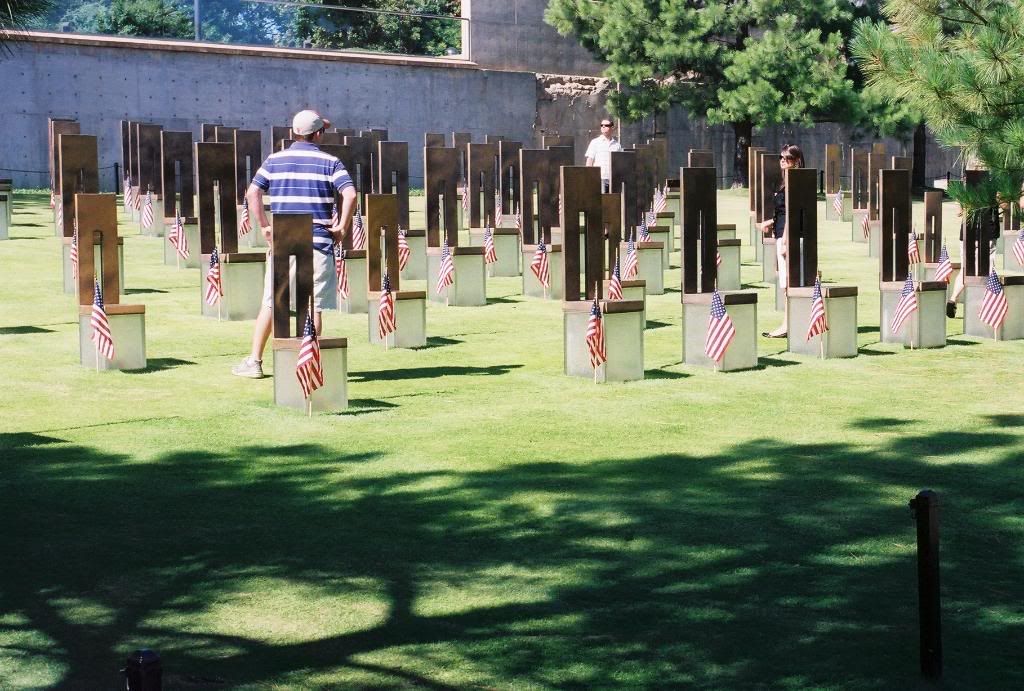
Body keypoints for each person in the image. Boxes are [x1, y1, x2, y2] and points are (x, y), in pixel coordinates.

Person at [232, 109, 357, 378]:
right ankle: (308, 361)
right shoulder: (330, 162)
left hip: (284, 239)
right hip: (318, 239)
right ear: (318, 134)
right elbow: (350, 193)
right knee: (314, 305)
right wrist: (343, 226)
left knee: (272, 300)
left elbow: (253, 191)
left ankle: (254, 361)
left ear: (293, 133)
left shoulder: (274, 160)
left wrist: (265, 226)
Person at [758, 144, 805, 338]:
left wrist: (785, 239)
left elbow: (792, 213)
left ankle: (788, 325)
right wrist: (769, 222)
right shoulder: (786, 183)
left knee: (789, 283)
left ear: (797, 161)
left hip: (788, 238)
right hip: (781, 234)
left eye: (788, 158)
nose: (783, 161)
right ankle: (788, 323)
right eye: (781, 158)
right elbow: (783, 213)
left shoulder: (796, 183)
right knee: (786, 283)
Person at [585, 118, 623, 193]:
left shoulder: (617, 145)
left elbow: (619, 163)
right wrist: (588, 176)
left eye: (606, 125)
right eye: (602, 125)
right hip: (599, 178)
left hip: (613, 179)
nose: (603, 127)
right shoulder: (595, 142)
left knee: (612, 201)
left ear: (612, 128)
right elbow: (590, 160)